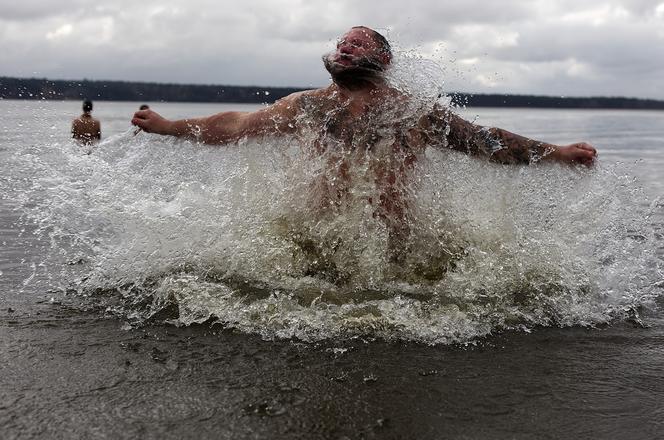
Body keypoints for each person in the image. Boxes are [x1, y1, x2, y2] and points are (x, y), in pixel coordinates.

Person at [131, 26, 597, 268]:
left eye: (356, 43)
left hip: (396, 250)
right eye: (342, 43)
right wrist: (169, 125)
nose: (346, 48)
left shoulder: (413, 113)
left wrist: (555, 152)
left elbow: (486, 142)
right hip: (317, 244)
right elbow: (234, 125)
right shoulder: (308, 106)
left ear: (384, 60)